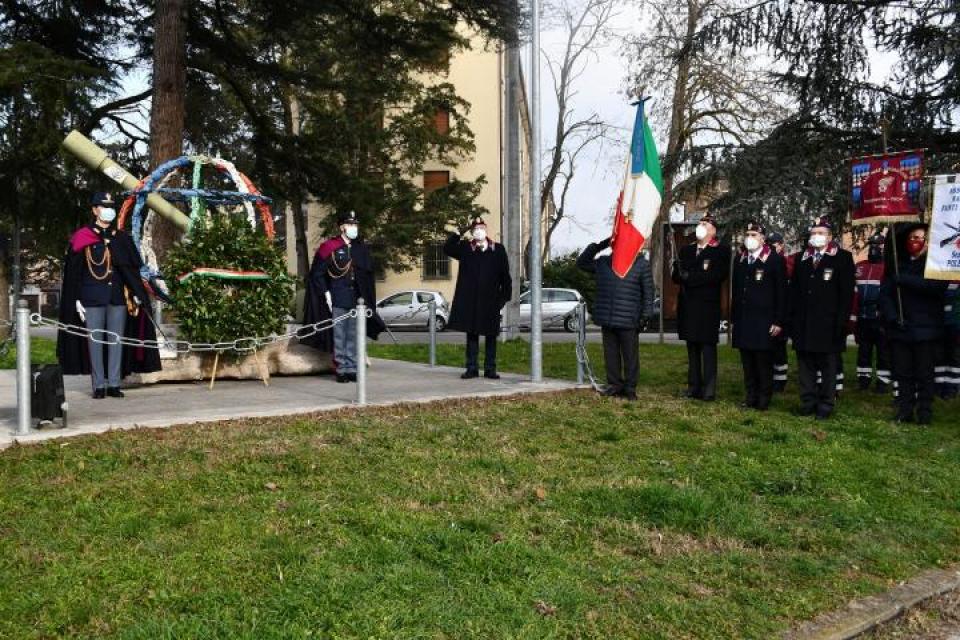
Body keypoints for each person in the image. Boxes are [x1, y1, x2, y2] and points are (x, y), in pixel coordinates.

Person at [57, 192, 162, 397]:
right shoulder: (82, 237)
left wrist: (137, 292)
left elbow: (131, 270)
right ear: (94, 210)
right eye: (103, 206)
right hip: (92, 298)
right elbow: (74, 273)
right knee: (95, 342)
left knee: (116, 341)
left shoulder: (121, 238)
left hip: (117, 298)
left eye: (111, 206)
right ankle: (99, 385)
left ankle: (114, 384)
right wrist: (76, 298)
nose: (108, 210)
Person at [302, 210, 385, 383]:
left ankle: (352, 367)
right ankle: (341, 368)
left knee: (354, 335)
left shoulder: (360, 248)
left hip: (357, 299)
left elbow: (366, 274)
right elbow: (317, 273)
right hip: (337, 297)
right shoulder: (330, 247)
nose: (354, 228)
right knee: (340, 335)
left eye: (355, 225)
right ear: (342, 227)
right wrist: (326, 293)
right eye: (350, 225)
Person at [880, 223, 948, 424]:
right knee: (903, 372)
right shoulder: (897, 264)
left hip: (926, 329)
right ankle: (905, 409)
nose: (917, 242)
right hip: (901, 327)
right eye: (913, 238)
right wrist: (893, 317)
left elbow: (935, 287)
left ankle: (925, 411)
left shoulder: (934, 265)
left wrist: (905, 280)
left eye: (922, 238)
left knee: (924, 373)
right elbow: (885, 295)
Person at [788, 217, 855, 419]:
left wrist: (842, 321)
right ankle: (808, 402)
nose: (817, 236)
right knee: (805, 365)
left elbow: (846, 294)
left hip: (829, 323)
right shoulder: (802, 258)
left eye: (821, 233)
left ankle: (826, 403)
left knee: (828, 366)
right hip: (804, 322)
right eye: (814, 233)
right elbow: (795, 292)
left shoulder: (842, 258)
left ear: (830, 236)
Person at [576, 236, 656, 400]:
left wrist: (646, 315)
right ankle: (614, 385)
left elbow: (649, 293)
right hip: (608, 317)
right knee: (610, 354)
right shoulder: (604, 262)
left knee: (630, 356)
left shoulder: (641, 264)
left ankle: (630, 388)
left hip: (629, 319)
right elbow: (582, 263)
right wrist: (601, 244)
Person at [444, 216, 512, 379]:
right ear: (472, 232)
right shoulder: (466, 248)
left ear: (486, 229)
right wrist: (460, 231)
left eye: (481, 228)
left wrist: (503, 299)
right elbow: (447, 248)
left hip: (491, 301)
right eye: (475, 229)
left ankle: (490, 368)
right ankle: (471, 367)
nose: (478, 231)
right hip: (471, 300)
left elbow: (505, 276)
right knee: (472, 335)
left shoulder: (498, 249)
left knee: (490, 336)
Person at [672, 213, 730, 401]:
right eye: (700, 223)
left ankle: (709, 389)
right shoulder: (686, 250)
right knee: (692, 348)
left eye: (705, 224)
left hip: (707, 307)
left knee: (707, 348)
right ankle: (693, 387)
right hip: (688, 306)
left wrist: (690, 277)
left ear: (713, 230)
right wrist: (680, 272)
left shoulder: (720, 251)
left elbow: (716, 276)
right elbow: (676, 277)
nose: (701, 226)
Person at [731, 221, 787, 411]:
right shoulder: (740, 259)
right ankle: (750, 396)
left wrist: (779, 320)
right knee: (747, 363)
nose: (750, 238)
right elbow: (736, 291)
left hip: (765, 321)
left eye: (754, 235)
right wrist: (734, 318)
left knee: (763, 363)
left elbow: (781, 293)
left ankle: (764, 398)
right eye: (748, 234)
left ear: (763, 238)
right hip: (744, 320)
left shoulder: (774, 260)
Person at [853, 233, 891, 392]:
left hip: (880, 317)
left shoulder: (889, 267)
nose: (874, 249)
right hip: (863, 316)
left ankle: (882, 382)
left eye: (878, 246)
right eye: (872, 245)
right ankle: (863, 379)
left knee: (883, 351)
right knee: (864, 350)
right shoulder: (860, 266)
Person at [767, 231, 792, 391]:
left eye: (773, 245)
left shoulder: (787, 263)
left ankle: (780, 380)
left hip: (784, 311)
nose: (770, 248)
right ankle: (771, 377)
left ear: (781, 245)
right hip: (770, 310)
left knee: (780, 347)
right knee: (770, 347)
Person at [935, 282, 959, 400]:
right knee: (938, 355)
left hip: (955, 323)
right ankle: (938, 386)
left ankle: (952, 388)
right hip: (939, 321)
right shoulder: (939, 277)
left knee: (953, 356)